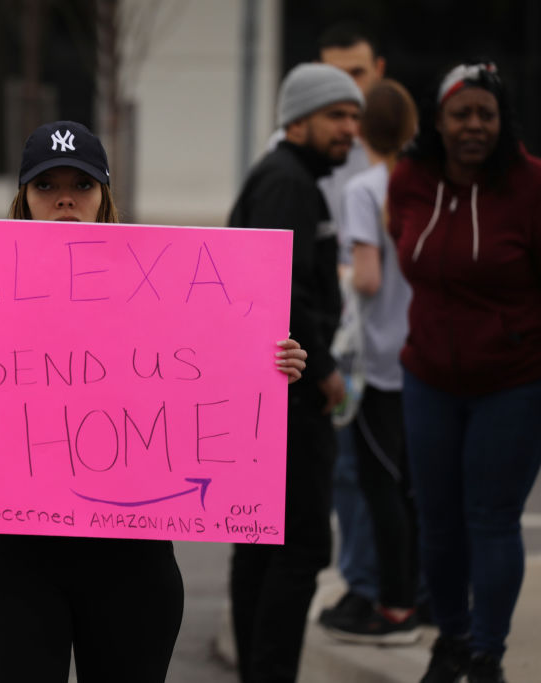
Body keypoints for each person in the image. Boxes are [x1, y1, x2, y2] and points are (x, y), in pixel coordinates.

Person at [0, 120, 308, 683]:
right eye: (46, 187)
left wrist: (268, 369)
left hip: (134, 567)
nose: (64, 201)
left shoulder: (163, 288)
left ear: (104, 198)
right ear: (22, 200)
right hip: (19, 565)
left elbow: (217, 360)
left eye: (80, 186)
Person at [388, 61, 541, 683]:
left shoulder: (531, 187)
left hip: (513, 380)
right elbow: (407, 252)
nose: (474, 125)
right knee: (437, 518)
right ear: (439, 121)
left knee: (492, 518)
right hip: (428, 375)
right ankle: (450, 638)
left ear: (502, 122)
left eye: (486, 113)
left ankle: (486, 652)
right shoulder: (410, 179)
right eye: (462, 113)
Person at [227, 63, 363, 683]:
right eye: (338, 116)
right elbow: (279, 290)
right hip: (286, 396)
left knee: (264, 543)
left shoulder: (293, 179)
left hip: (277, 392)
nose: (350, 130)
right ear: (298, 120)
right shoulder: (286, 182)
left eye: (356, 117)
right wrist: (325, 370)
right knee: (298, 545)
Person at [321, 79, 421, 645]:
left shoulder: (366, 188)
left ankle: (393, 608)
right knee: (417, 488)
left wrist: (335, 277)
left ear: (363, 131)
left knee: (380, 487)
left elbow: (366, 277)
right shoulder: (425, 185)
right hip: (425, 358)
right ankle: (419, 598)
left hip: (377, 362)